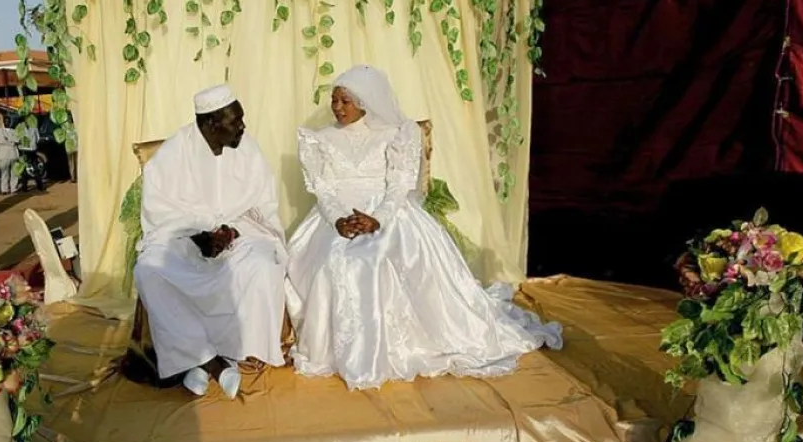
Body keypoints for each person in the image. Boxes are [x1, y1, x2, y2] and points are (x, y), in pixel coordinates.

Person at [285, 65, 562, 391]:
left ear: (364, 102)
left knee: (374, 258)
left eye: (345, 101)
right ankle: (335, 350)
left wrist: (378, 219)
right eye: (334, 100)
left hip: (387, 213)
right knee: (332, 260)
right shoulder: (318, 139)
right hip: (336, 218)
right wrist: (338, 220)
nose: (337, 107)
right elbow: (323, 190)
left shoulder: (396, 135)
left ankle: (386, 351)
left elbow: (398, 187)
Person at [134, 84, 287, 398]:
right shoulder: (173, 154)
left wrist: (231, 232)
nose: (243, 126)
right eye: (235, 121)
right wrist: (198, 236)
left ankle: (224, 353)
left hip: (240, 235)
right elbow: (158, 211)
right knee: (149, 270)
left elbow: (262, 206)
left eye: (241, 118)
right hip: (184, 239)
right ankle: (209, 360)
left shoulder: (249, 149)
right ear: (210, 123)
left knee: (261, 265)